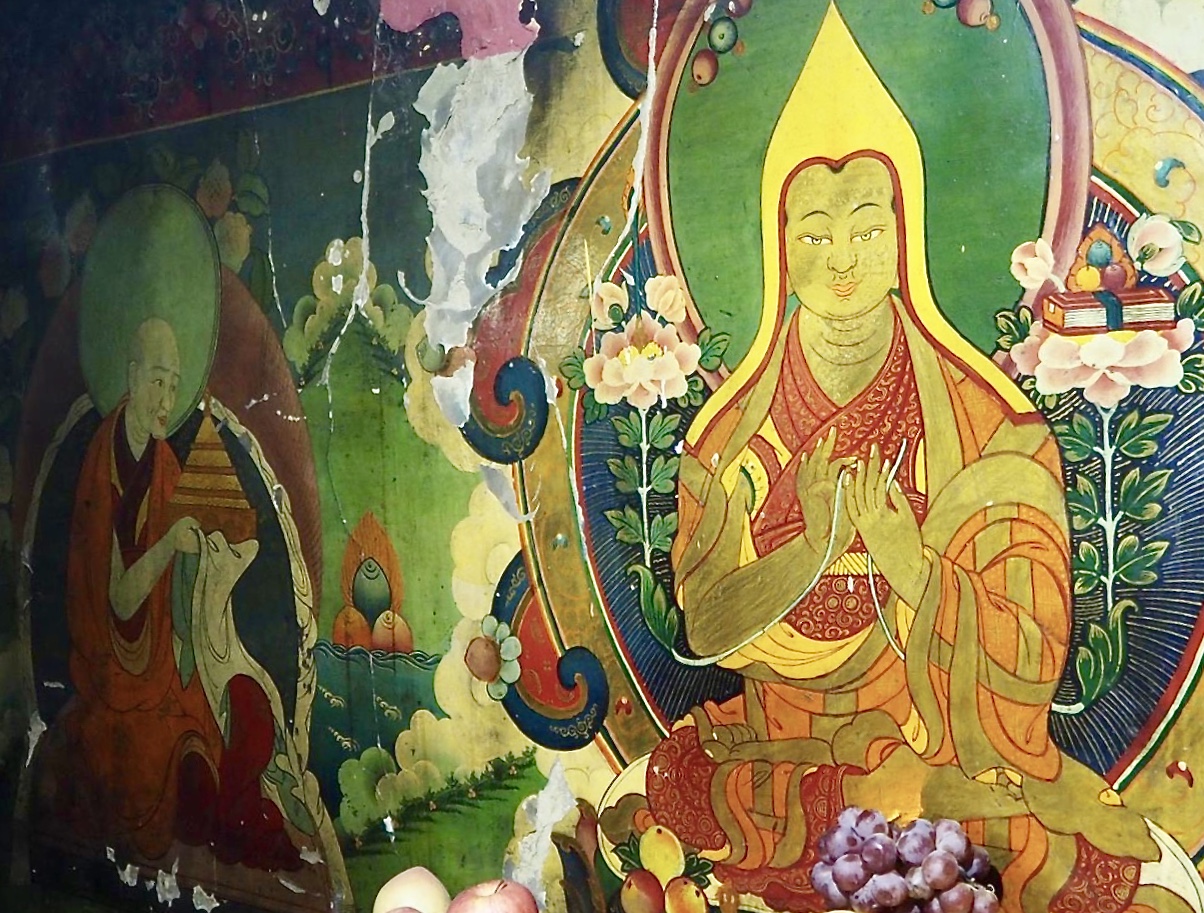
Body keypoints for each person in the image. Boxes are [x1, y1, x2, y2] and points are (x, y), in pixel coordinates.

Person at [635, 8, 1200, 912]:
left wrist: (914, 567)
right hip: (787, 750)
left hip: (944, 749)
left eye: (867, 225)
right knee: (694, 786)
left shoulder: (987, 427)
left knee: (1008, 836)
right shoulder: (731, 435)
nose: (845, 259)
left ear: (907, 232)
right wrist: (810, 547)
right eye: (814, 234)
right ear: (778, 247)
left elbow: (1034, 642)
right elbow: (706, 629)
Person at [53, 317, 301, 870]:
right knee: (183, 786)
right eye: (158, 381)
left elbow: (187, 586)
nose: (167, 398)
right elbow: (120, 599)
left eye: (175, 384)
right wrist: (170, 544)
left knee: (242, 724)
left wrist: (218, 561)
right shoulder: (104, 463)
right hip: (114, 679)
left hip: (166, 674)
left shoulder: (165, 465)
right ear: (132, 376)